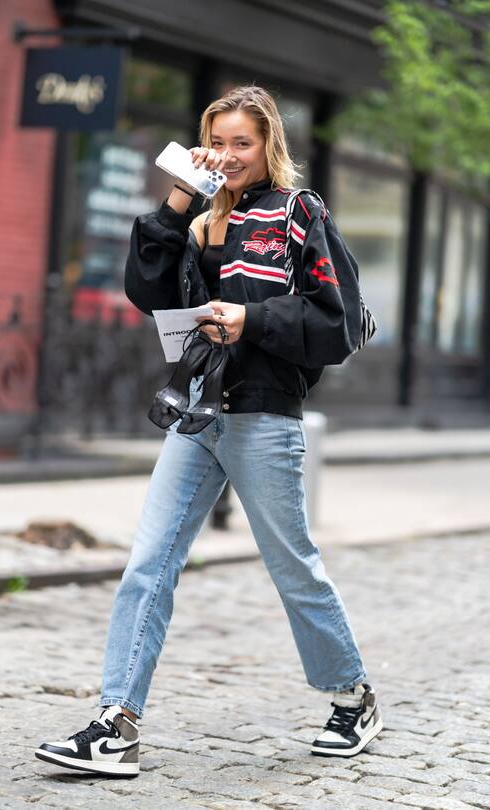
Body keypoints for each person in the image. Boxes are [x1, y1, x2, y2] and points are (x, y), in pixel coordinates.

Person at [35, 84, 383, 776]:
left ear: (268, 146)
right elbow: (148, 291)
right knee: (148, 565)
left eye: (241, 144)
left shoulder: (298, 213)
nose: (227, 156)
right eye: (216, 143)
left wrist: (251, 319)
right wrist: (178, 197)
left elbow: (339, 324)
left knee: (293, 569)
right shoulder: (199, 220)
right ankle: (117, 725)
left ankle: (352, 697)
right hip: (197, 414)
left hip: (262, 418)